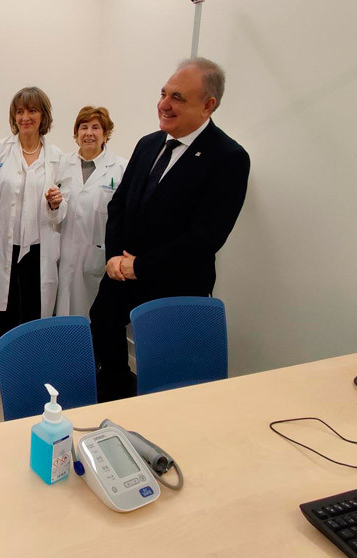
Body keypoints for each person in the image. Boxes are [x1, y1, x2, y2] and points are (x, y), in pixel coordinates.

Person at [90, 57, 250, 401]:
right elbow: (119, 205)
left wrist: (139, 266)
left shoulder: (228, 158)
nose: (164, 104)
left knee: (169, 378)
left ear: (208, 105)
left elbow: (205, 238)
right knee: (103, 332)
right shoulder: (148, 144)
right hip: (121, 274)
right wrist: (115, 257)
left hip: (175, 283)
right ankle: (116, 397)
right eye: (164, 93)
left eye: (178, 97)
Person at [0, 87, 63, 332]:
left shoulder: (56, 157)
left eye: (32, 111)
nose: (25, 117)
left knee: (34, 306)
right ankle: (8, 355)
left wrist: (55, 204)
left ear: (43, 116)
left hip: (38, 244)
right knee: (7, 308)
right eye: (19, 112)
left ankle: (32, 354)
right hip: (3, 242)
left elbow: (62, 207)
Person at [51, 106, 127, 318]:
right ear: (76, 134)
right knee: (64, 318)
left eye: (96, 127)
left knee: (98, 320)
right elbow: (54, 212)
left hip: (99, 257)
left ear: (106, 133)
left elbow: (124, 218)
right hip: (64, 255)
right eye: (83, 127)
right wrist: (53, 205)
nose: (89, 133)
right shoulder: (61, 165)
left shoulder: (120, 168)